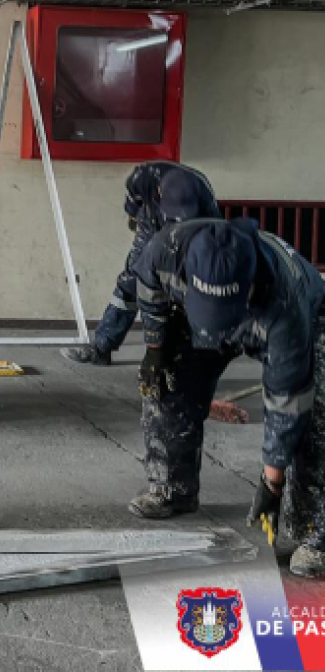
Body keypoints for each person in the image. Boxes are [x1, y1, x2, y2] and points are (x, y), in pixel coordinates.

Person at [131, 217, 325, 578]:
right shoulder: (166, 249)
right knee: (167, 382)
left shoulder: (285, 304)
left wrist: (272, 482)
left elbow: (287, 400)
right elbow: (149, 292)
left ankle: (314, 533)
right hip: (193, 319)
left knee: (316, 419)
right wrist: (155, 349)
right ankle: (173, 487)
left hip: (305, 317)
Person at [63, 161, 220, 366]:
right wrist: (136, 220)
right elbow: (132, 208)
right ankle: (101, 348)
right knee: (131, 281)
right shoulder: (142, 179)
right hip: (149, 223)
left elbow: (213, 235)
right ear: (158, 190)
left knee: (186, 285)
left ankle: (188, 353)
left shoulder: (203, 196)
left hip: (189, 232)